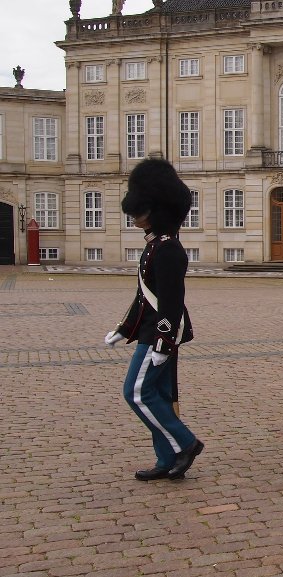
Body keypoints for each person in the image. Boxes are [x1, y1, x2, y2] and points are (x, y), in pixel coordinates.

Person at [106, 158, 203, 481]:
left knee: (136, 393)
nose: (136, 214)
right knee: (156, 396)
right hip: (151, 332)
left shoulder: (168, 250)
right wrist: (123, 328)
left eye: (141, 208)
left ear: (156, 209)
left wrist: (162, 342)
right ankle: (166, 458)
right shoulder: (155, 246)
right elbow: (144, 296)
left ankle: (186, 443)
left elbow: (172, 304)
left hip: (160, 336)